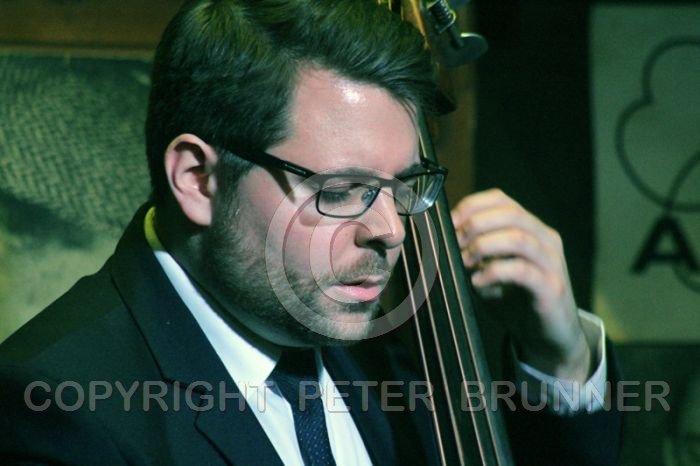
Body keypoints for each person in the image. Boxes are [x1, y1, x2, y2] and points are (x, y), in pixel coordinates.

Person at [0, 0, 621, 464]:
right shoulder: (56, 414)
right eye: (341, 190)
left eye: (406, 184)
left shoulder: (396, 348)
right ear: (197, 179)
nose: (390, 231)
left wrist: (560, 359)